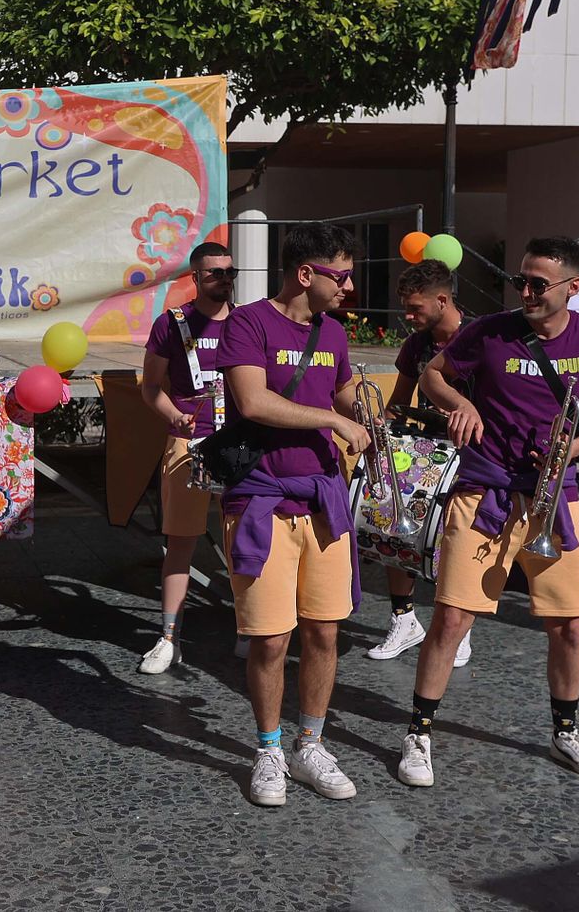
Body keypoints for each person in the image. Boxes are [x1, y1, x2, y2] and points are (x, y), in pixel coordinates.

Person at [397, 236, 579, 788]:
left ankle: (566, 732)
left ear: (573, 288)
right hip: (485, 490)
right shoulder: (489, 331)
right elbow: (433, 376)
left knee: (569, 626)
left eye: (537, 283)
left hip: (554, 494)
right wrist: (462, 403)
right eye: (520, 280)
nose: (524, 291)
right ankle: (418, 733)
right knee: (452, 617)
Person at [217, 223, 372, 807]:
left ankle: (311, 744)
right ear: (306, 274)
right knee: (270, 640)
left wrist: (375, 413)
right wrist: (332, 421)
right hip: (261, 500)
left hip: (323, 500)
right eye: (342, 275)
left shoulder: (332, 332)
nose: (350, 286)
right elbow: (252, 401)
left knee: (326, 632)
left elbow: (340, 390)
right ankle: (269, 749)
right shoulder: (249, 322)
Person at [367, 259, 473, 668]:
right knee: (396, 529)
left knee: (459, 544)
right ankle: (404, 619)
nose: (408, 317)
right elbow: (400, 402)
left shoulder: (480, 337)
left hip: (472, 456)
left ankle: (458, 628)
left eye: (415, 308)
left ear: (443, 300)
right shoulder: (417, 345)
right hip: (427, 454)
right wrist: (384, 426)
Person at [136, 240, 236, 674]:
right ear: (195, 278)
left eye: (230, 272)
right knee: (180, 544)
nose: (224, 280)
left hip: (238, 445)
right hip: (188, 446)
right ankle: (168, 638)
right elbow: (150, 387)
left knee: (243, 542)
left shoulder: (249, 322)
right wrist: (174, 415)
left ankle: (253, 630)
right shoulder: (171, 323)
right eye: (214, 273)